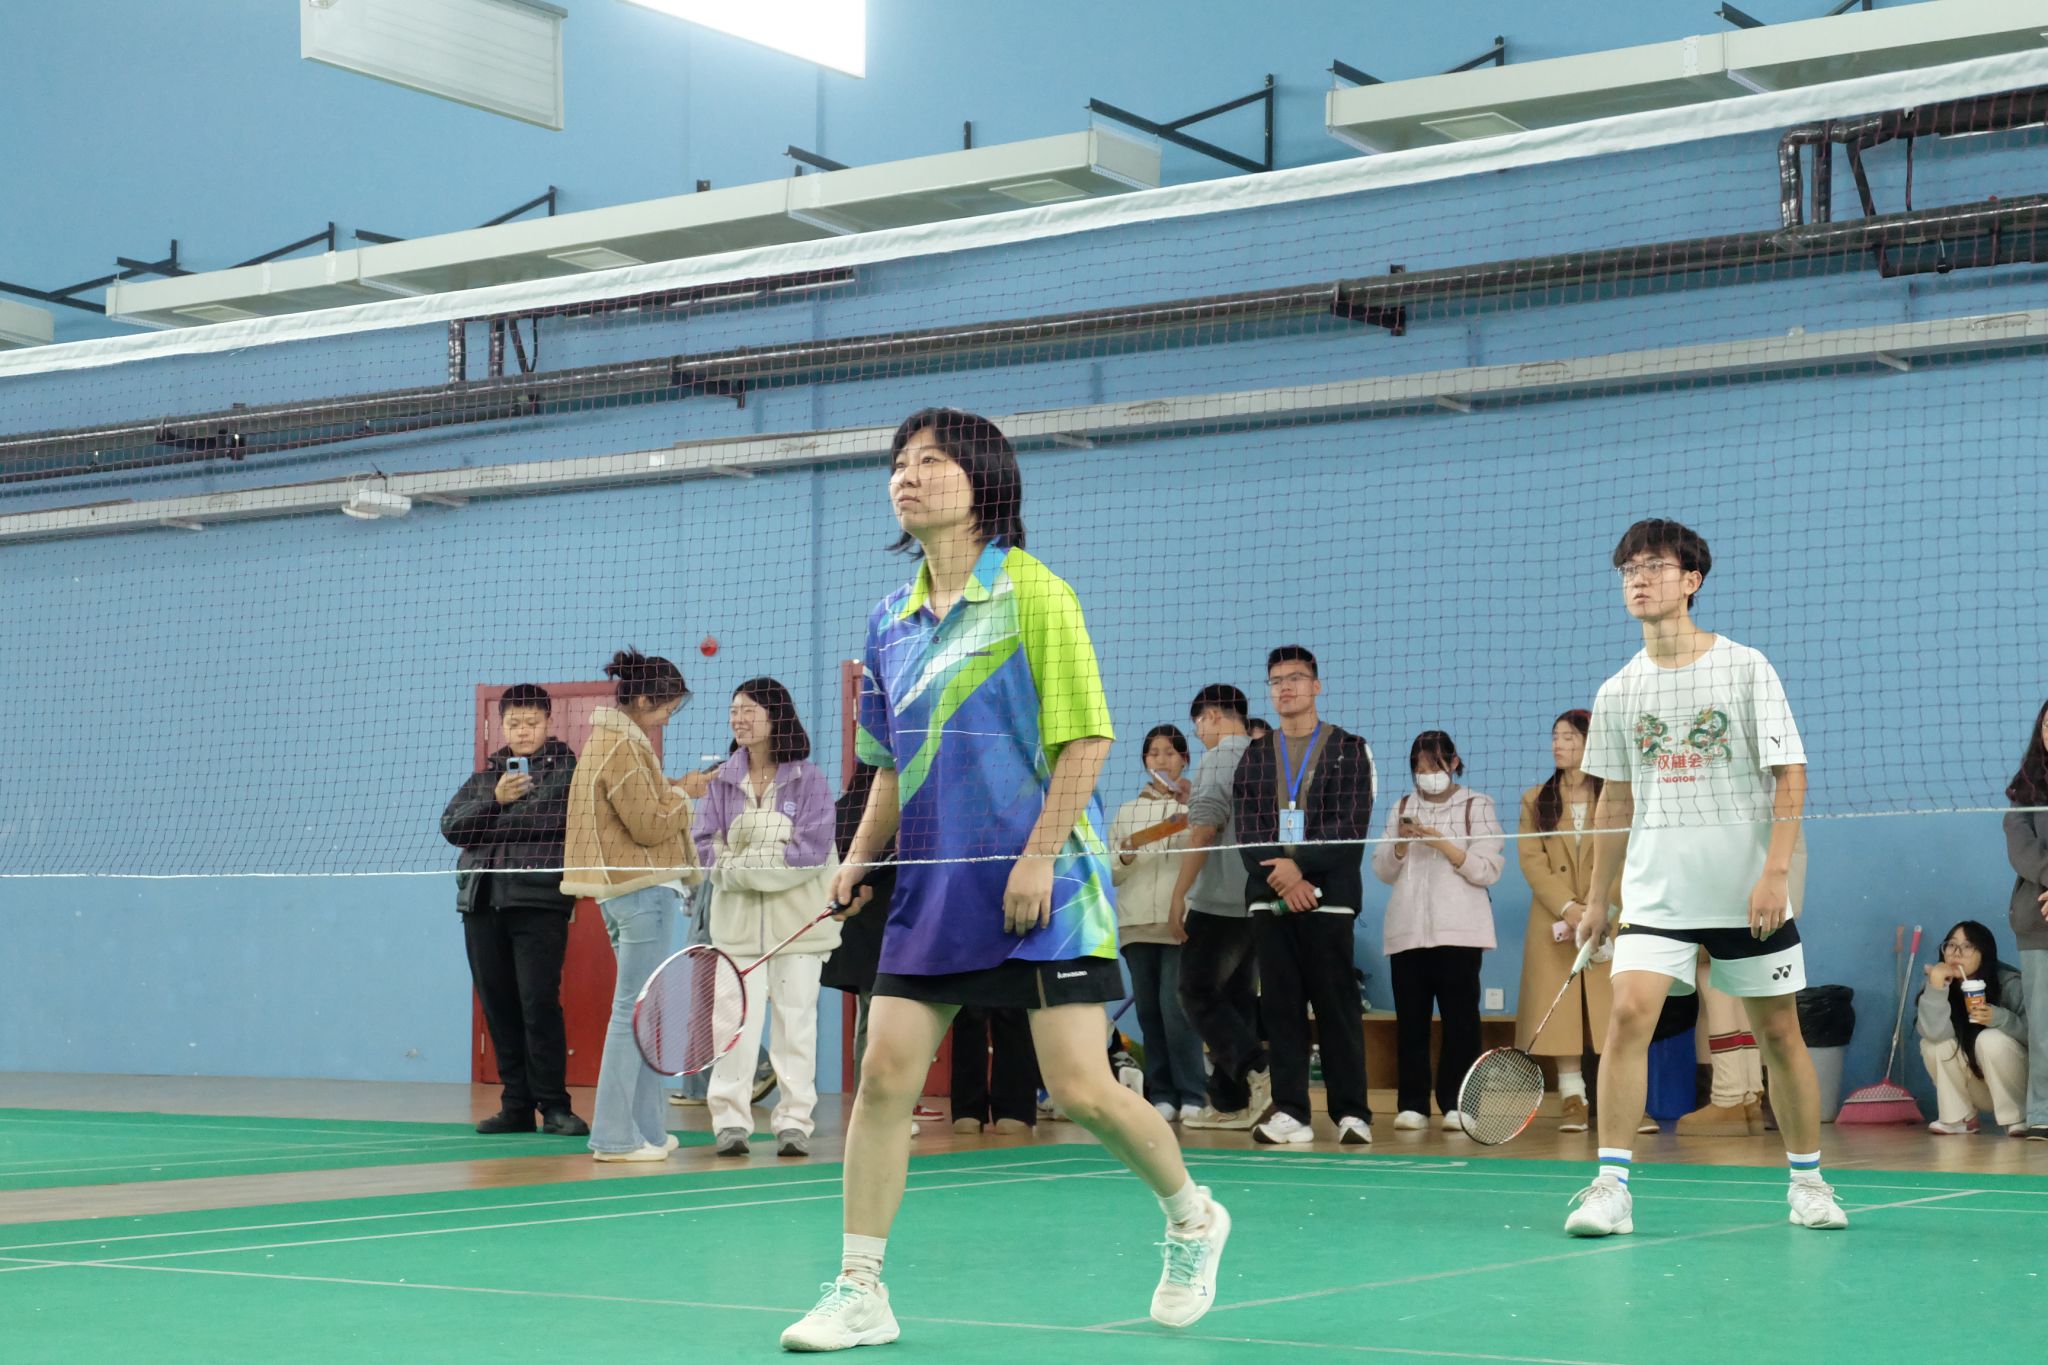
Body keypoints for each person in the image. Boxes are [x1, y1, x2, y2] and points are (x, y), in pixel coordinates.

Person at [780, 408, 1229, 1352]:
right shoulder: (890, 620)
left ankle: (1193, 1216)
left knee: (1082, 1086)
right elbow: (886, 764)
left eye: (930, 460)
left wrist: (1037, 854)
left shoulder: (1035, 594)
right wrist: (856, 858)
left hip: (1043, 888)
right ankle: (860, 1286)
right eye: (898, 463)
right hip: (932, 892)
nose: (906, 476)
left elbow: (1087, 740)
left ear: (983, 479)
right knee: (883, 1076)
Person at [1566, 519, 1847, 1237]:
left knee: (1778, 1032)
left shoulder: (1745, 668)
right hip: (1657, 891)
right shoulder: (1619, 690)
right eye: (1629, 569)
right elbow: (1615, 799)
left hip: (1744, 890)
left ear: (1691, 580)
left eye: (1655, 566)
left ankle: (1809, 1181)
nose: (1639, 579)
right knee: (1629, 1014)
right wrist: (1598, 899)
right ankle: (1611, 1186)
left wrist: (1775, 872)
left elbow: (1790, 774)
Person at [1233, 646, 1376, 1146]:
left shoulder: (1349, 749)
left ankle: (1352, 1113)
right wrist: (1285, 878)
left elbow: (1350, 823)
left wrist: (1303, 869)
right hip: (1270, 900)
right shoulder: (1254, 754)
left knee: (1337, 1007)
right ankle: (1291, 1112)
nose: (1285, 688)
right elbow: (1248, 829)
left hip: (1329, 899)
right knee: (1280, 1009)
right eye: (1276, 681)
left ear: (1316, 686)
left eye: (1295, 678)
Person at [561, 649, 700, 1163]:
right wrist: (685, 798)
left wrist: (675, 790)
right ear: (643, 700)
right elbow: (648, 825)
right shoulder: (621, 745)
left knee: (644, 1013)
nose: (668, 717)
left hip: (627, 893)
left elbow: (637, 809)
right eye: (667, 707)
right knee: (631, 1014)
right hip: (642, 892)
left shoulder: (613, 742)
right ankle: (615, 1138)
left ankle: (648, 1132)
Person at [695, 677, 841, 1158]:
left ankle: (794, 1122)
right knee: (731, 1025)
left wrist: (742, 862)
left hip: (798, 930)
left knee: (796, 1026)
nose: (738, 719)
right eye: (734, 710)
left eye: (749, 710)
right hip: (736, 932)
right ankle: (729, 1123)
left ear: (776, 717)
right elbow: (705, 850)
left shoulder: (810, 779)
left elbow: (810, 852)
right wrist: (764, 850)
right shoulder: (721, 780)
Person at [440, 684, 588, 1137]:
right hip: (481, 903)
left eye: (531, 723)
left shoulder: (568, 773)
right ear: (501, 726)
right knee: (498, 1006)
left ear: (548, 723)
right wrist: (496, 801)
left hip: (537, 903)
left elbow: (546, 819)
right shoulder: (486, 779)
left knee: (538, 1004)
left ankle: (555, 1106)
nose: (523, 731)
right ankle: (516, 1105)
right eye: (514, 723)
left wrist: (492, 819)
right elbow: (452, 827)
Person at [1370, 731, 1503, 1133]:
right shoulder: (1402, 807)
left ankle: (1460, 1105)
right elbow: (1382, 869)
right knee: (1411, 1022)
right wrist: (1399, 845)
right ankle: (1412, 1104)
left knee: (1461, 1023)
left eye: (1434, 764)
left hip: (1460, 933)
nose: (1426, 772)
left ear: (1454, 763)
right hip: (1407, 931)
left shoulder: (1478, 805)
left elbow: (1488, 870)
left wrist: (1445, 846)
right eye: (1419, 766)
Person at [1171, 684, 1271, 1131]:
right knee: (1237, 998)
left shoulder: (1218, 758)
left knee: (1195, 990)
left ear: (1211, 716)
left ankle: (1256, 1067)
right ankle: (1233, 1102)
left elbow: (1205, 829)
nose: (1199, 733)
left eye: (1198, 724)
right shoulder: (1266, 757)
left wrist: (1179, 894)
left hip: (1219, 899)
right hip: (1258, 898)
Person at [1514, 709, 1613, 1134]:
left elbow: (1627, 856)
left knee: (1614, 1010)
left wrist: (1600, 908)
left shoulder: (1617, 796)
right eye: (1555, 736)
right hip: (1554, 918)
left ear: (1592, 744)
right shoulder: (1535, 799)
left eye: (1570, 737)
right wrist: (1569, 908)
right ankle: (1572, 1097)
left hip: (1608, 915)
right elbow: (1531, 861)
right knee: (1561, 1010)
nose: (1559, 744)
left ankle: (1620, 1100)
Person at [1109, 724, 1208, 1122]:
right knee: (1149, 1013)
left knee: (1176, 1010)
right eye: (1154, 753)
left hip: (1179, 922)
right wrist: (1128, 852)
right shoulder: (1127, 812)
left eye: (1170, 752)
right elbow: (1112, 872)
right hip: (1135, 924)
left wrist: (1188, 813)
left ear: (1184, 758)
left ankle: (1194, 1093)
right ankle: (1162, 1093)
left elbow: (1208, 857)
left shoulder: (1199, 807)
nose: (1162, 760)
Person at [1916, 920, 2029, 1137]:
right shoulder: (1937, 983)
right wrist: (1937, 988)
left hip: (2019, 1084)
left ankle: (2018, 1117)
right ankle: (1960, 1118)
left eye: (1967, 946)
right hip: (1978, 1087)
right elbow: (1935, 1034)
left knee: (1990, 1039)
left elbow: (2037, 1037)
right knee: (1934, 1044)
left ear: (1984, 953)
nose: (1956, 953)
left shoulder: (2010, 983)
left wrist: (2000, 1018)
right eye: (1951, 945)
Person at [2003, 697, 2048, 1140]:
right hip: (2040, 923)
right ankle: (2043, 1112)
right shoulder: (2025, 794)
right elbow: (2023, 851)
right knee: (2045, 1025)